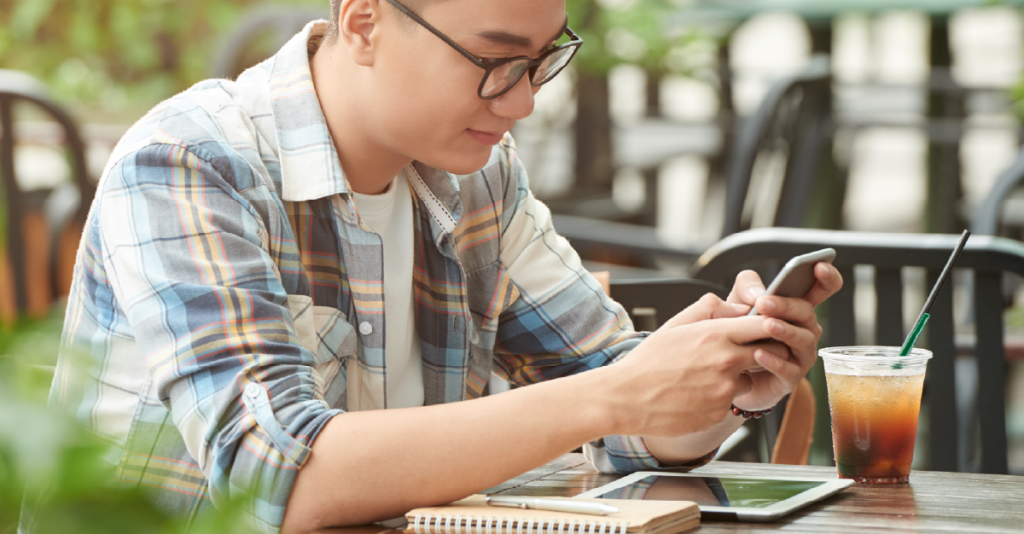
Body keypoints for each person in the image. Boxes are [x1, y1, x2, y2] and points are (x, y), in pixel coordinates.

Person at [46, 0, 842, 533]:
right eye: (495, 61)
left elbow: (621, 408)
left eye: (541, 61)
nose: (523, 100)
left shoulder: (478, 179)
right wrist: (617, 393)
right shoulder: (191, 162)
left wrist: (713, 382)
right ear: (363, 22)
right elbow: (273, 476)